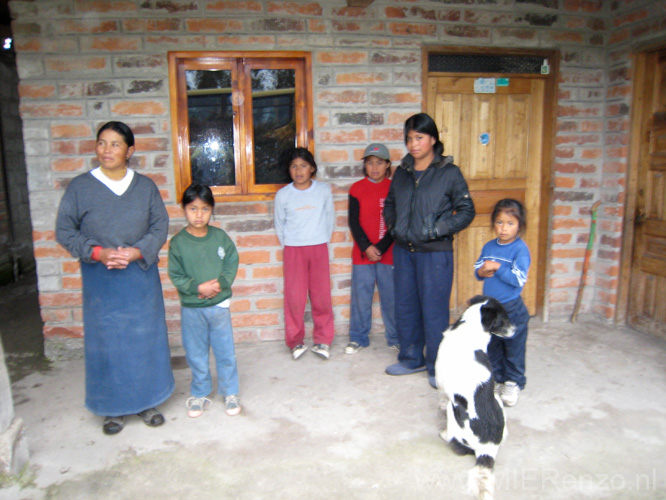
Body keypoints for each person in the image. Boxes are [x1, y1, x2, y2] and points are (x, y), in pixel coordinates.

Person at [56, 121, 174, 435]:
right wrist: (97, 253)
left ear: (130, 151)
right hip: (101, 280)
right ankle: (112, 407)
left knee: (143, 338)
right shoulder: (81, 187)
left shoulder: (145, 186)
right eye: (102, 143)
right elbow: (64, 231)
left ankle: (147, 401)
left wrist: (137, 252)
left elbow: (159, 227)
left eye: (115, 144)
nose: (106, 150)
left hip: (139, 277)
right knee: (108, 342)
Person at [383, 112, 475, 389]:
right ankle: (412, 358)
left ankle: (438, 365)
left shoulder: (449, 173)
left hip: (435, 253)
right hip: (404, 251)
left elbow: (467, 210)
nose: (413, 144)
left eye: (419, 138)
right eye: (409, 138)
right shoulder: (402, 172)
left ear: (433, 139)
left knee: (434, 311)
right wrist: (395, 227)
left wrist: (438, 229)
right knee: (406, 307)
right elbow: (389, 205)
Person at [168, 184, 241, 418]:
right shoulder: (178, 243)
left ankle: (230, 392)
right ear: (183, 209)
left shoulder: (219, 237)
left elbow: (231, 260)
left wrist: (220, 283)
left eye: (205, 209)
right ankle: (200, 393)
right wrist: (197, 288)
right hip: (192, 308)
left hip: (219, 306)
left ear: (212, 210)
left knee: (225, 351)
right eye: (193, 209)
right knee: (195, 353)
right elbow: (176, 274)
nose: (199, 215)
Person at [274, 147, 335, 360]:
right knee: (294, 298)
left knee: (321, 297)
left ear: (312, 168)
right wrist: (291, 245)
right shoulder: (283, 195)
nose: (298, 171)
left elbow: (329, 220)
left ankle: (323, 340)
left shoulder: (323, 190)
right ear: (288, 170)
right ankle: (295, 341)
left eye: (303, 166)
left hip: (318, 247)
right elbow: (279, 224)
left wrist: (319, 240)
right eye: (293, 166)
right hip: (293, 250)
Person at [474, 199, 531, 407]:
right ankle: (497, 380)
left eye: (510, 223)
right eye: (499, 222)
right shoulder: (489, 246)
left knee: (513, 346)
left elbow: (518, 279)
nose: (504, 228)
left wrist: (498, 267)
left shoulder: (520, 250)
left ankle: (513, 382)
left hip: (512, 308)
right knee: (493, 345)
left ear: (519, 225)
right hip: (491, 308)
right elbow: (478, 271)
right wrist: (482, 271)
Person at [345, 143, 398, 354]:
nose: (374, 167)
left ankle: (395, 337)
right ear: (364, 165)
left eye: (379, 163)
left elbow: (396, 223)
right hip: (362, 254)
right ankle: (358, 337)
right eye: (369, 163)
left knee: (391, 298)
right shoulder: (356, 189)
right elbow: (353, 222)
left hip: (389, 254)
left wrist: (382, 247)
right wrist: (367, 247)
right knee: (361, 297)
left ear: (387, 165)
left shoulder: (395, 188)